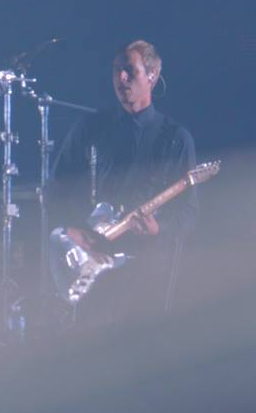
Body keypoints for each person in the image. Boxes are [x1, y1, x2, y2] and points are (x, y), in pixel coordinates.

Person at [50, 40, 198, 322]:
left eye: (130, 70)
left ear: (152, 75)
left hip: (146, 270)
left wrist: (159, 228)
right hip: (94, 263)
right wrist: (74, 231)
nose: (121, 78)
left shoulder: (175, 139)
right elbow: (55, 189)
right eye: (116, 70)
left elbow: (189, 214)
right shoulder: (90, 128)